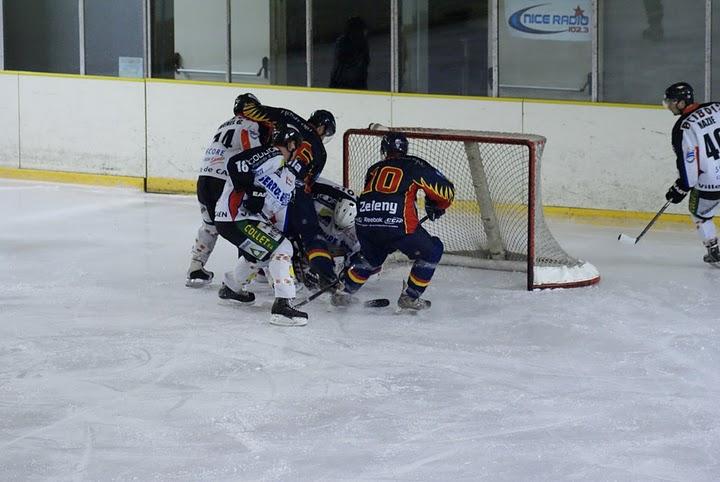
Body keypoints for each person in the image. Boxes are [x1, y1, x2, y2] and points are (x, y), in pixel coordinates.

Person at [333, 131, 455, 310]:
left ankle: (344, 292)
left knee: (371, 257)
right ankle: (410, 297)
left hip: (365, 223)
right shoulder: (414, 164)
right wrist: (437, 205)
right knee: (432, 250)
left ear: (384, 150)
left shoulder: (373, 169)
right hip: (398, 224)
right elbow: (446, 191)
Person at [236, 96, 339, 286]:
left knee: (255, 224)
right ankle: (326, 274)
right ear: (322, 127)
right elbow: (308, 184)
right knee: (310, 232)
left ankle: (256, 271)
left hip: (266, 180)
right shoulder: (321, 153)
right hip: (292, 188)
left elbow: (249, 110)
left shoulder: (288, 116)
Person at [213, 124, 309, 326]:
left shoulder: (287, 179)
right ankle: (283, 306)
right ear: (291, 145)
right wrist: (252, 190)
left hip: (237, 219)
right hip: (236, 216)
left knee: (263, 253)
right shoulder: (273, 154)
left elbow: (279, 216)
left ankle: (232, 287)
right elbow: (237, 163)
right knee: (282, 248)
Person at [185, 93, 269, 287]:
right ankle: (250, 271)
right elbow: (252, 155)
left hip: (204, 180)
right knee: (244, 223)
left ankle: (195, 268)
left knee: (209, 225)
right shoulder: (251, 125)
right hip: (225, 182)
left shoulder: (224, 125)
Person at [663, 81, 720, 266]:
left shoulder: (683, 128)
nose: (669, 106)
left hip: (711, 181)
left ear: (681, 102)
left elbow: (689, 162)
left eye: (671, 101)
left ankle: (714, 251)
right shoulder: (717, 107)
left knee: (699, 213)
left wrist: (681, 187)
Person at [291, 177, 360, 289]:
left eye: (341, 228)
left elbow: (362, 258)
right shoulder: (321, 203)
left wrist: (345, 278)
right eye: (336, 225)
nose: (336, 229)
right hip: (317, 234)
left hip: (337, 246)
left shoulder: (359, 230)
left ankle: (328, 274)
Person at [329, 16, 370, 90]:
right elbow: (343, 59)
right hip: (342, 83)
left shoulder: (363, 43)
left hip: (356, 82)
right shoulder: (343, 43)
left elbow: (366, 61)